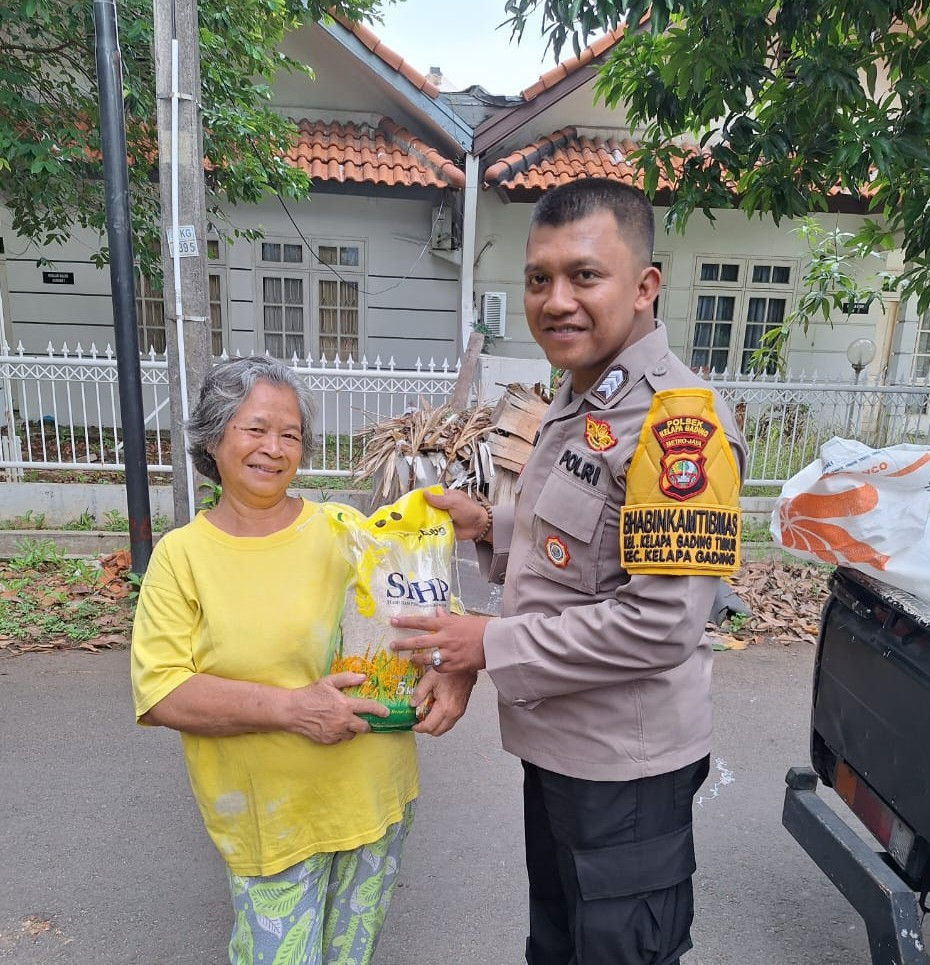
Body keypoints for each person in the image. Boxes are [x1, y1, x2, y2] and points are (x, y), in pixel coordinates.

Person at [391, 178, 747, 965]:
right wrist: (490, 524)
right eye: (539, 277)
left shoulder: (675, 421)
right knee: (555, 945)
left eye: (585, 275)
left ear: (645, 286)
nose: (557, 300)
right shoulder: (583, 394)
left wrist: (486, 643)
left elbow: (659, 622)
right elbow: (575, 548)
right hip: (560, 748)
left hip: (624, 768)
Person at [130, 356, 474, 965]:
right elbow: (161, 695)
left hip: (373, 797)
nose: (273, 448)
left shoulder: (347, 530)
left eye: (290, 434)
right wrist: (293, 709)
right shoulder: (183, 557)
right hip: (271, 819)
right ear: (214, 438)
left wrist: (453, 668)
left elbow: (419, 612)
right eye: (255, 429)